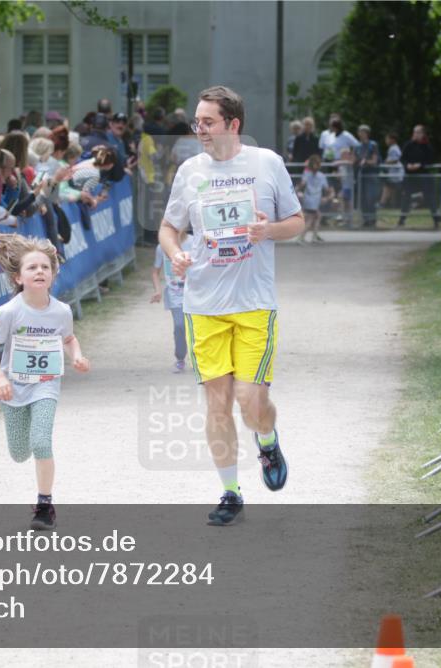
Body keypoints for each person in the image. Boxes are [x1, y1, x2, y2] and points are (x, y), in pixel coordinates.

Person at [158, 85, 303, 526]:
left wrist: (268, 232)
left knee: (250, 400)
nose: (199, 129)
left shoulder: (266, 164)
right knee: (217, 404)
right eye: (196, 122)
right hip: (203, 303)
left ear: (232, 124)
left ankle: (268, 438)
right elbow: (168, 227)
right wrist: (175, 253)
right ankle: (230, 492)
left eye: (207, 122)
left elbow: (297, 223)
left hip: (254, 302)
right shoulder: (190, 171)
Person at [0, 232, 90, 529]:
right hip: (13, 387)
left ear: (53, 275)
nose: (40, 271)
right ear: (18, 278)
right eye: (32, 267)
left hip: (46, 384)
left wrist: (76, 355)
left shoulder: (61, 311)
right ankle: (39, 490)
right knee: (19, 453)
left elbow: (68, 338)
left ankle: (44, 504)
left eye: (45, 267)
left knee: (41, 442)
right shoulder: (9, 311)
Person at [151, 228, 194, 372]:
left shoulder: (195, 242)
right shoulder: (161, 247)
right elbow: (155, 272)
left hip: (196, 294)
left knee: (196, 328)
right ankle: (180, 358)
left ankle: (202, 360)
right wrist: (157, 290)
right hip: (175, 294)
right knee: (180, 326)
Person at [397, 124, 441, 228]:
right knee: (406, 198)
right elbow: (403, 158)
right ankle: (401, 220)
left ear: (423, 134)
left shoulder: (427, 146)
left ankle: (436, 221)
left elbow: (430, 159)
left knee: (430, 198)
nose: (415, 134)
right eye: (414, 132)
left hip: (423, 176)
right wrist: (407, 165)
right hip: (410, 176)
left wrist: (420, 165)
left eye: (418, 132)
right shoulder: (408, 145)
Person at [296, 154, 331, 243]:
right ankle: (301, 237)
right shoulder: (321, 176)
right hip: (314, 200)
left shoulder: (306, 174)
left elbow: (302, 185)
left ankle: (314, 236)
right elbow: (326, 188)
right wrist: (329, 193)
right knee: (311, 219)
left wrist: (297, 190)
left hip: (308, 199)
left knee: (317, 216)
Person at [354, 124, 380, 228]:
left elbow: (375, 160)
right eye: (359, 132)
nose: (360, 134)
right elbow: (355, 159)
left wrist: (366, 162)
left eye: (363, 132)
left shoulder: (372, 145)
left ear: (367, 133)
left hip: (370, 174)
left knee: (370, 198)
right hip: (360, 175)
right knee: (362, 198)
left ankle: (372, 219)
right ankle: (365, 219)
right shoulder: (358, 146)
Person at [380, 132, 403, 208]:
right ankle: (393, 205)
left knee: (387, 187)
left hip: (395, 173)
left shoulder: (393, 148)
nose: (386, 141)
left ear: (392, 140)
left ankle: (382, 204)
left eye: (387, 139)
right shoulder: (394, 148)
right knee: (392, 189)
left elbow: (396, 159)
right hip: (394, 173)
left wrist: (385, 162)